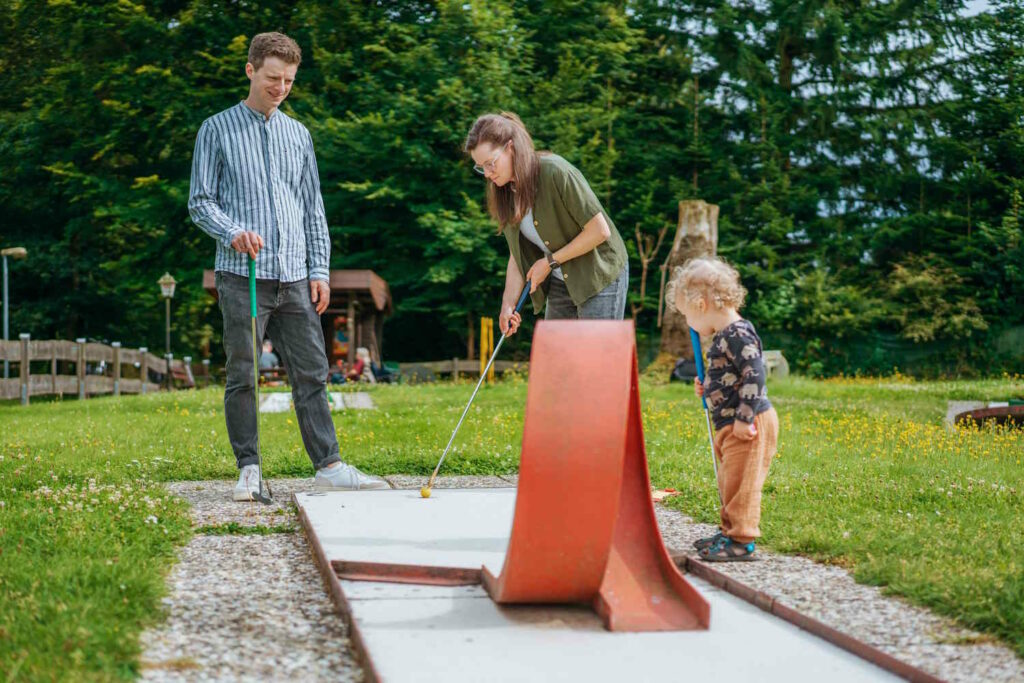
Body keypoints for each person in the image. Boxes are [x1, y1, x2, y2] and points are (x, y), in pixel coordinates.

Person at [188, 32, 388, 499]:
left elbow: (312, 207)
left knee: (313, 372)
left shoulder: (298, 134)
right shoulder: (216, 129)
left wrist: (319, 270)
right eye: (273, 78)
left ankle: (329, 464)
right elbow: (200, 202)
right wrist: (232, 231)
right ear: (251, 70)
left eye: (290, 81)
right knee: (243, 373)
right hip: (243, 274)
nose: (281, 88)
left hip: (296, 275)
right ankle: (250, 469)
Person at [464, 113, 629, 335]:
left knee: (594, 362)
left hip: (598, 273)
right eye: (480, 167)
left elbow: (599, 231)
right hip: (563, 281)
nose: (487, 174)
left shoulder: (555, 171)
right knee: (556, 361)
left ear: (510, 148)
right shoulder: (505, 194)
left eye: (490, 163)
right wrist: (507, 305)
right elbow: (517, 255)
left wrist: (549, 262)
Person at [666, 257, 779, 561]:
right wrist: (709, 388)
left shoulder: (737, 333)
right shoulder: (724, 336)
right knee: (729, 479)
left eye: (686, 314)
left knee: (742, 483)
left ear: (700, 304)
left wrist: (744, 417)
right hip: (731, 423)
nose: (688, 323)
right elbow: (732, 375)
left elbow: (755, 373)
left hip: (749, 422)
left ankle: (741, 541)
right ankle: (729, 532)